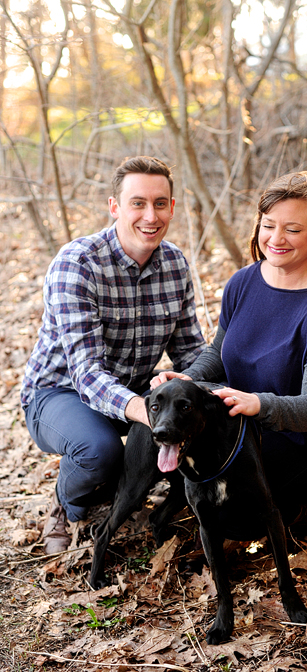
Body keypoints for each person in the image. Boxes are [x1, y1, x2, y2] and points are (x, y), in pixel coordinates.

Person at [153, 170, 307, 529]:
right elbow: (219, 354)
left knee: (231, 519)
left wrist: (258, 403)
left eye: (293, 229)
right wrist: (188, 380)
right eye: (269, 225)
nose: (276, 239)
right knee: (167, 443)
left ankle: (303, 507)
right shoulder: (243, 282)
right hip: (247, 427)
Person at [22, 156, 206, 555]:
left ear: (172, 208)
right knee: (99, 451)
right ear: (115, 207)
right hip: (59, 391)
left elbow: (191, 351)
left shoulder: (175, 264)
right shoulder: (78, 264)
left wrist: (211, 390)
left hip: (134, 382)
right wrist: (147, 411)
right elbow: (86, 372)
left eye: (160, 203)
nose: (150, 215)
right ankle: (66, 502)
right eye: (137, 203)